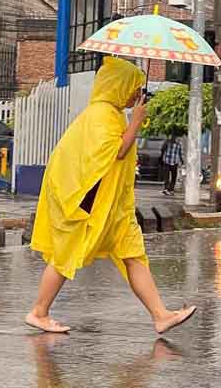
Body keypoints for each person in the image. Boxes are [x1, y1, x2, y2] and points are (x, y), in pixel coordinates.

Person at [24, 57, 197, 335]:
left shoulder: (114, 113)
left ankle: (161, 315)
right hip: (89, 203)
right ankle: (39, 312)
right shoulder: (100, 114)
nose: (137, 95)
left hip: (115, 206)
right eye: (134, 88)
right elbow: (115, 151)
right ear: (118, 86)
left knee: (133, 255)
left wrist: (131, 121)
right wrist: (137, 122)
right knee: (66, 255)